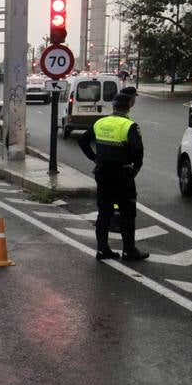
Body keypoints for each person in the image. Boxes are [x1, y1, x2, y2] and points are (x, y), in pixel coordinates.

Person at [78, 91, 148, 262]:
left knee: (104, 212)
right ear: (129, 105)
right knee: (127, 212)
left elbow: (83, 141)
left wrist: (95, 158)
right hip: (122, 175)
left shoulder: (100, 122)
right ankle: (128, 251)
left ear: (113, 106)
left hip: (102, 173)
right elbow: (138, 149)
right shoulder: (129, 125)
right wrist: (135, 167)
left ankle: (102, 249)